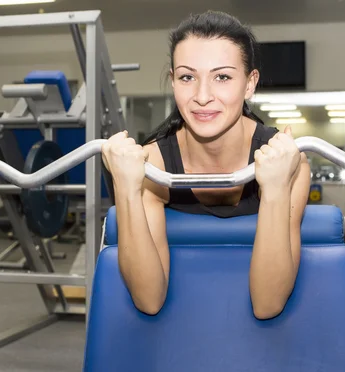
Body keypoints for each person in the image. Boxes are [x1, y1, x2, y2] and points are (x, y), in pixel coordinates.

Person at [101, 10, 311, 320]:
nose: (202, 96)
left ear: (250, 83)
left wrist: (277, 187)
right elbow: (149, 300)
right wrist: (126, 186)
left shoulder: (288, 163)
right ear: (173, 82)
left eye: (222, 77)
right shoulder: (153, 165)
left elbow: (268, 304)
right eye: (188, 77)